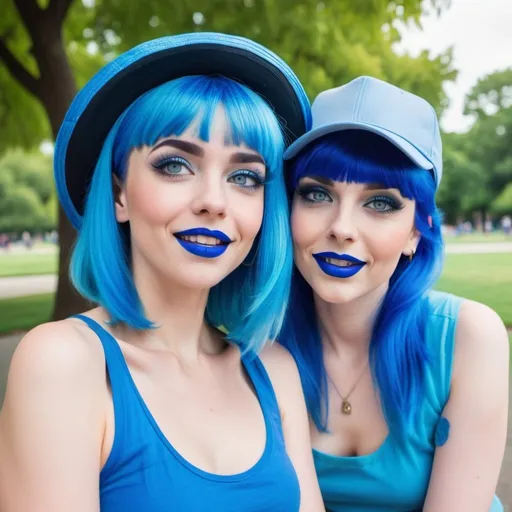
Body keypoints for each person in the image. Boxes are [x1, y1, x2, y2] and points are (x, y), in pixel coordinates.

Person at [0, 34, 324, 511]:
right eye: (175, 165)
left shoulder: (273, 370)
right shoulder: (66, 363)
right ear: (118, 195)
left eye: (244, 177)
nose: (214, 200)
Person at [280, 76, 508, 511]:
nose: (342, 228)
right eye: (317, 193)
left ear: (415, 232)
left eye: (380, 203)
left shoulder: (467, 339)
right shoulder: (254, 347)